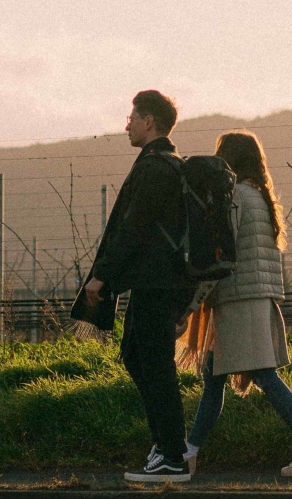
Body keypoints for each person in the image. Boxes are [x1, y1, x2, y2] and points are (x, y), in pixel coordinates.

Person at [180, 130, 292, 477]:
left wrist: (191, 303)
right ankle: (188, 453)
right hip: (254, 299)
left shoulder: (235, 199)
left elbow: (221, 255)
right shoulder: (260, 198)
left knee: (263, 375)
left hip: (238, 301)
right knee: (213, 377)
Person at [84, 89, 196, 483]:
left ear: (149, 121)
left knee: (155, 365)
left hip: (155, 283)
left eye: (132, 117)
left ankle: (172, 456)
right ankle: (164, 445)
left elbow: (133, 228)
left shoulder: (153, 167)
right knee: (135, 354)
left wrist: (104, 275)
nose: (126, 124)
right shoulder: (170, 163)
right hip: (162, 283)